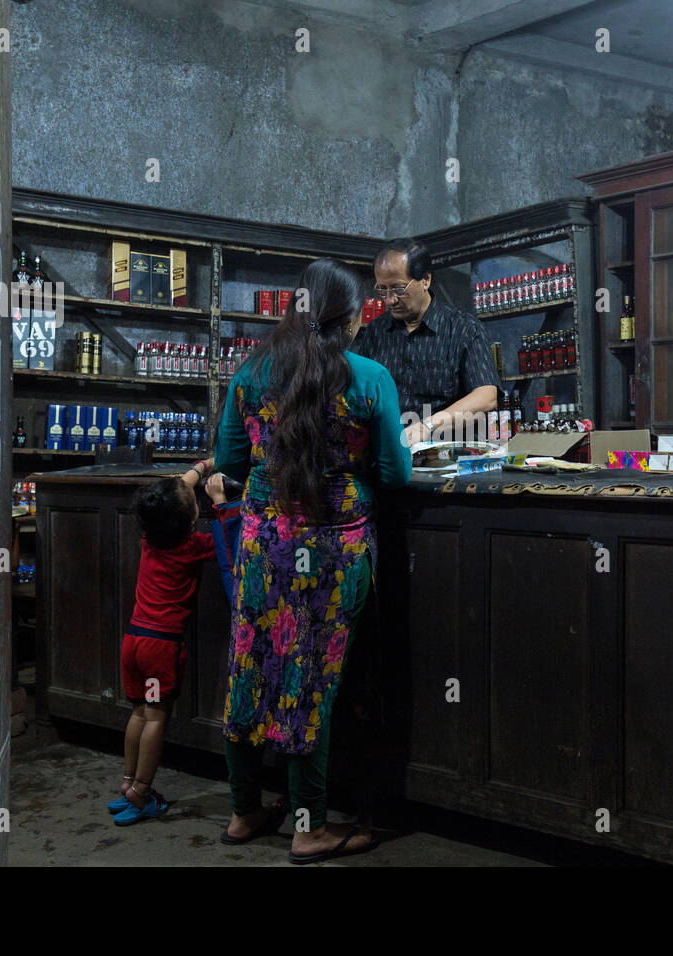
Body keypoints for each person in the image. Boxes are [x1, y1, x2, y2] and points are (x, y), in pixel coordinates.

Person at [214, 257, 411, 864]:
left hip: (262, 543)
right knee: (312, 681)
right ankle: (309, 826)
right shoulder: (369, 377)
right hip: (334, 548)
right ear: (349, 320)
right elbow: (393, 473)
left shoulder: (250, 373)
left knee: (249, 664)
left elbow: (230, 460)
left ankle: (245, 811)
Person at [109, 458, 218, 825]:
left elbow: (172, 495)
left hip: (134, 642)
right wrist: (218, 502)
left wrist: (202, 467)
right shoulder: (193, 545)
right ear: (191, 520)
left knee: (139, 712)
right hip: (160, 649)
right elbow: (230, 540)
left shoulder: (149, 537)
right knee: (157, 717)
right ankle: (142, 793)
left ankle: (127, 785)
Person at [351, 237, 499, 447]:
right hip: (392, 455)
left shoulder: (464, 329)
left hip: (448, 457)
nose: (390, 300)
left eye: (399, 289)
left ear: (425, 280)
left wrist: (426, 426)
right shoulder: (376, 331)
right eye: (383, 290)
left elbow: (487, 396)